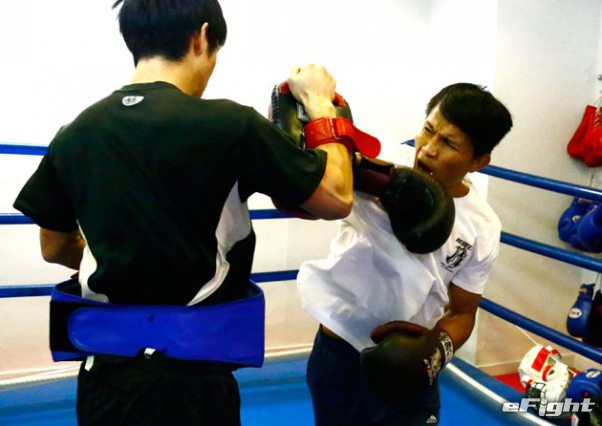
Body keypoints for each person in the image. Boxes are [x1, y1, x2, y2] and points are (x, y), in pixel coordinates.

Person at [12, 1, 375, 425]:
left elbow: (54, 247)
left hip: (104, 382)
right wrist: (320, 102)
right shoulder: (230, 125)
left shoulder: (74, 134)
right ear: (201, 37)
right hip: (193, 385)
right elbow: (336, 196)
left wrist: (126, 257)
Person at [297, 82, 513, 425]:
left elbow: (462, 313)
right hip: (341, 353)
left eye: (448, 143)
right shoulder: (381, 162)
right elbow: (307, 180)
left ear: (478, 161)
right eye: (428, 129)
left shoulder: (483, 226)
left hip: (411, 364)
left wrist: (434, 353)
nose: (427, 149)